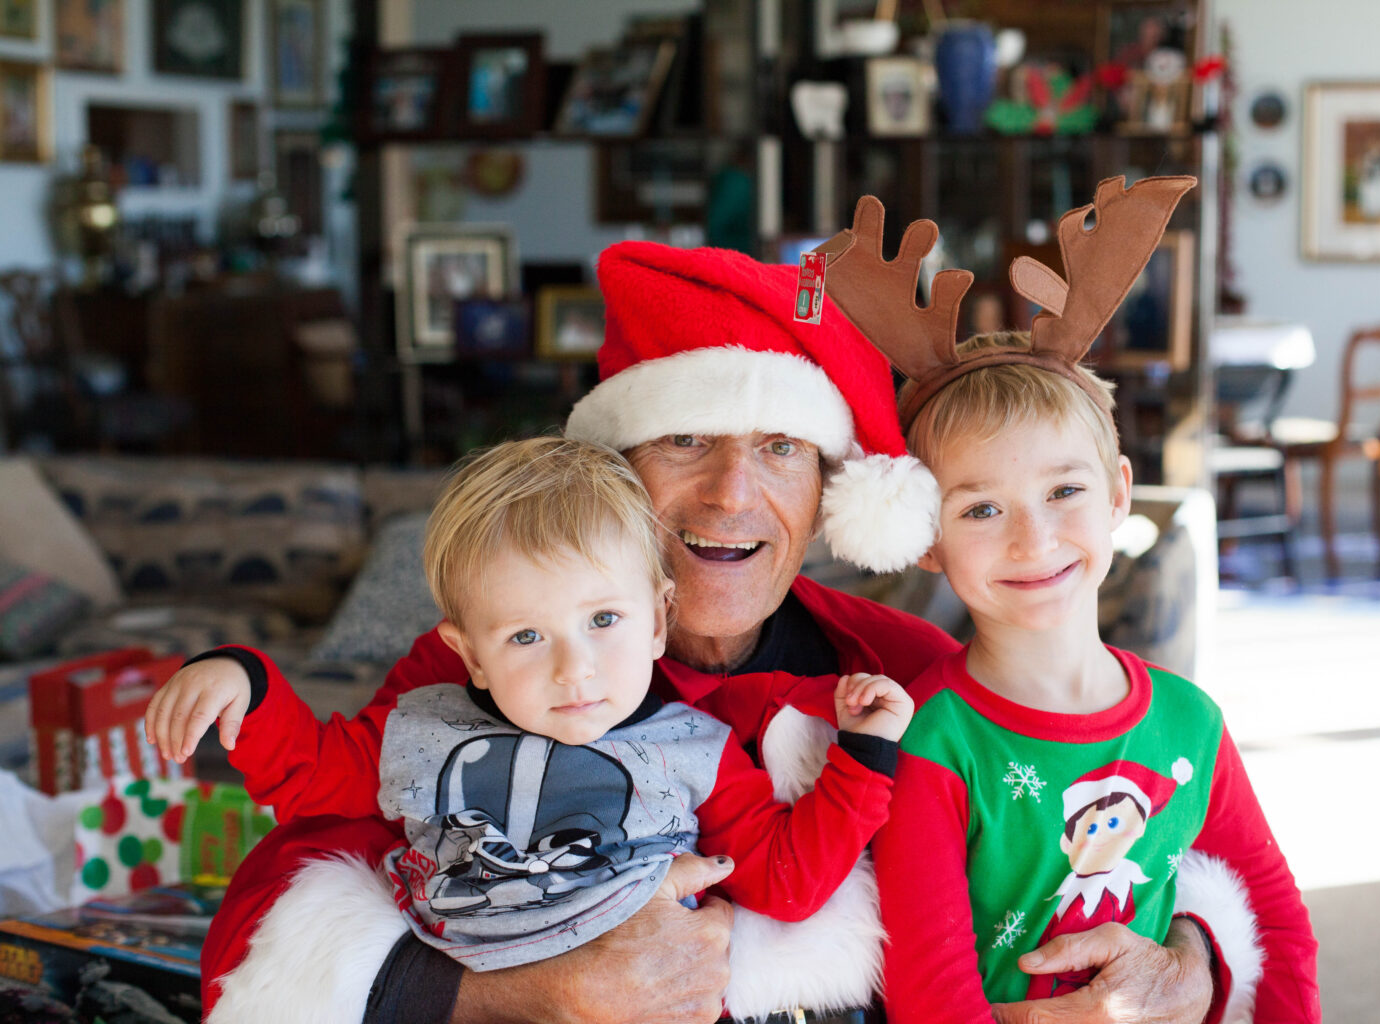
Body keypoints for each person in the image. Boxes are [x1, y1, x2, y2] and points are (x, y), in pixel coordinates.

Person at [193, 203, 1250, 1024]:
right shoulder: (498, 665)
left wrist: (1196, 962)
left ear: (831, 490)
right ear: (616, 468)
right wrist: (531, 991)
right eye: (686, 440)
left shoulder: (901, 668)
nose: (732, 494)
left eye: (781, 448)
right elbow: (262, 924)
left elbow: (1169, 847)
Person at [147, 436, 913, 975]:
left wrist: (864, 756)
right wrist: (245, 680)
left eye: (603, 620)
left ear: (658, 619)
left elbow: (785, 881)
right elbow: (310, 776)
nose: (573, 670)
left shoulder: (696, 750)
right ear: (469, 653)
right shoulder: (424, 726)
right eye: (525, 636)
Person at [858, 177, 1319, 1023]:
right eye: (981, 509)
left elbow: (1276, 926)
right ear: (926, 536)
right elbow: (931, 1001)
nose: (1032, 540)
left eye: (1064, 492)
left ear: (1117, 496)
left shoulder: (1190, 722)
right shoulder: (931, 743)